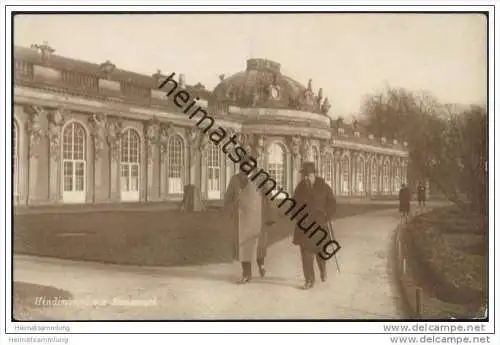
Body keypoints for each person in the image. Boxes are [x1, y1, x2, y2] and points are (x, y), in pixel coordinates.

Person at [224, 150, 275, 284]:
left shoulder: (261, 179)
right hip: (242, 219)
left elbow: (269, 197)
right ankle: (246, 274)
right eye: (245, 165)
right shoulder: (235, 180)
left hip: (258, 218)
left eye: (251, 165)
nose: (248, 168)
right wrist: (232, 203)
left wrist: (269, 215)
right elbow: (227, 197)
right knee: (244, 248)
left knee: (259, 246)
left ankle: (261, 265)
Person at [291, 161, 337, 290]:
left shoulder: (324, 186)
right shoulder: (300, 187)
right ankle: (309, 280)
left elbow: (332, 202)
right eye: (304, 175)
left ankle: (323, 270)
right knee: (306, 253)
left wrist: (328, 214)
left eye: (308, 175)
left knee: (320, 252)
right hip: (304, 225)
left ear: (314, 174)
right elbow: (293, 203)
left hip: (319, 225)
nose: (306, 178)